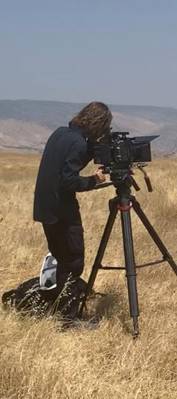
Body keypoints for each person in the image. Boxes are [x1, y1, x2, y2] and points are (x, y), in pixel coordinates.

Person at [33, 102, 111, 302]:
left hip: (46, 208)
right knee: (73, 262)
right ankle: (69, 319)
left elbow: (67, 161)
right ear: (98, 124)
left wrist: (94, 148)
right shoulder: (79, 143)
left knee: (60, 258)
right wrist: (93, 181)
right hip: (62, 211)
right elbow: (69, 180)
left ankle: (54, 303)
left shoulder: (61, 133)